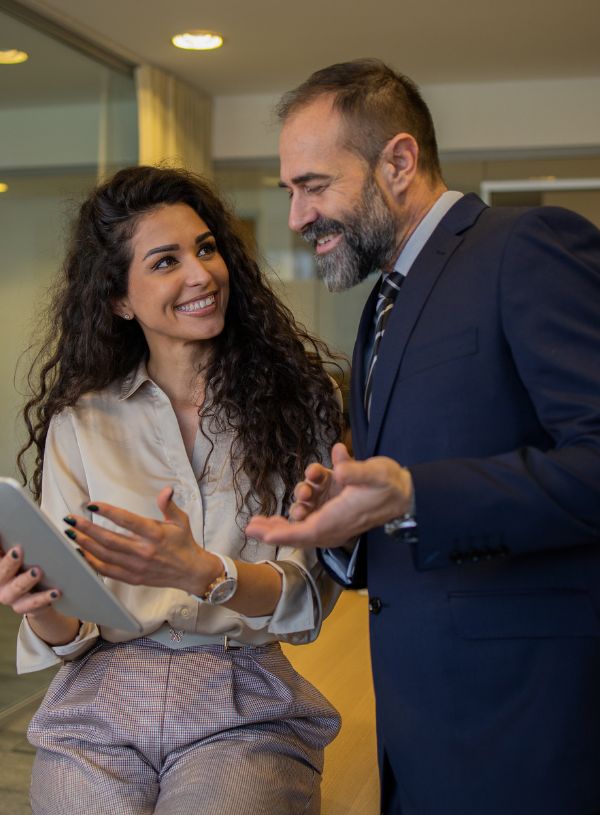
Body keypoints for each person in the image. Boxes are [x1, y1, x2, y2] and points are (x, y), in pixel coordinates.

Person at [246, 59, 600, 815]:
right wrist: (344, 525)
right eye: (289, 193)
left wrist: (412, 493)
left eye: (313, 185)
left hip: (527, 728)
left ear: (398, 162)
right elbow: (409, 513)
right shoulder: (384, 305)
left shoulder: (527, 246)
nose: (296, 218)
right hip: (420, 731)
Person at [0, 165, 344, 815]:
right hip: (100, 702)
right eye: (166, 261)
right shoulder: (81, 422)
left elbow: (307, 598)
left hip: (241, 697)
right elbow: (72, 628)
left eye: (206, 248)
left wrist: (208, 572)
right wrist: (36, 601)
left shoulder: (298, 404)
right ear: (118, 300)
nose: (201, 274)